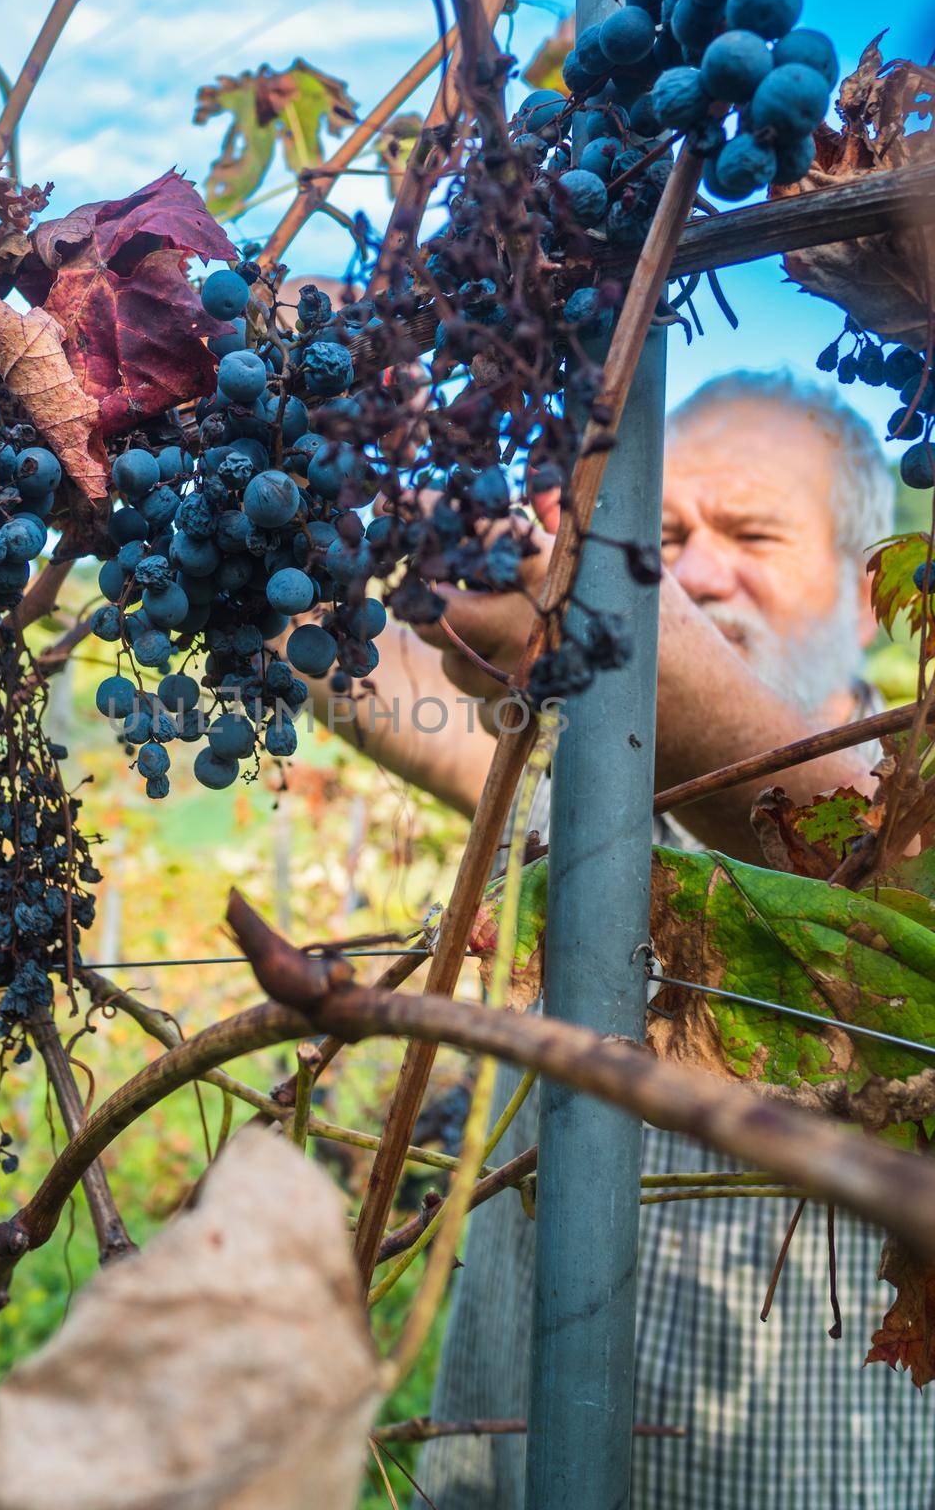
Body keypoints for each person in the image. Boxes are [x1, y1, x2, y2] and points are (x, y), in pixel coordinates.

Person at [314, 370, 935, 1508]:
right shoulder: (573, 792)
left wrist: (622, 632)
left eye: (749, 533)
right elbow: (355, 663)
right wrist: (318, 411)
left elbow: (896, 906)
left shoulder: (919, 801)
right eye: (660, 535)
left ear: (866, 597)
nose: (693, 578)